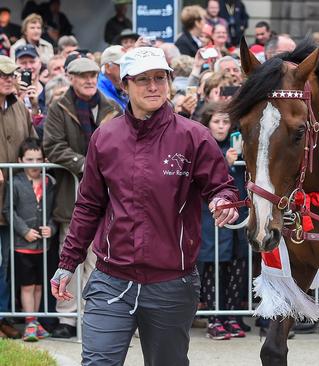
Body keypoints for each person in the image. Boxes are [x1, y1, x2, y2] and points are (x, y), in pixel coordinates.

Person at [49, 46, 239, 364]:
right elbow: (88, 206)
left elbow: (221, 186)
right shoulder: (104, 138)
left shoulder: (194, 136)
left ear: (168, 81)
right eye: (143, 79)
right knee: (98, 362)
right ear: (125, 84)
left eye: (159, 78)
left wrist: (224, 201)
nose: (153, 86)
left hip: (172, 283)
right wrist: (68, 263)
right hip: (111, 279)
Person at [43, 57, 122, 339]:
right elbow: (52, 145)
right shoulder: (59, 107)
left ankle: (95, 317)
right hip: (73, 195)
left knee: (99, 260)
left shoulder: (111, 106)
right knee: (71, 257)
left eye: (92, 75)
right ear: (71, 78)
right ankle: (67, 318)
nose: (89, 80)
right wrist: (85, 164)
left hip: (110, 197)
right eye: (83, 75)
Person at [196, 101, 248, 340]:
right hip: (212, 215)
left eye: (225, 121)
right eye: (216, 122)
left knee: (238, 262)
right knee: (214, 264)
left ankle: (233, 315)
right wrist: (224, 164)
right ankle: (215, 317)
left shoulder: (238, 144)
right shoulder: (203, 145)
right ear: (207, 124)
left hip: (240, 212)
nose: (221, 126)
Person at [2, 137, 56, 342]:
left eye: (38, 159)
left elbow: (52, 212)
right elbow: (9, 210)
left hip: (42, 246)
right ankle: (29, 322)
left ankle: (35, 322)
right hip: (22, 246)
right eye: (29, 160)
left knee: (39, 286)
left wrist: (50, 228)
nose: (34, 165)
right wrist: (24, 231)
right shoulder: (14, 183)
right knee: (26, 286)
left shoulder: (50, 183)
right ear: (19, 160)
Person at [0, 56, 37, 340]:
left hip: (16, 200)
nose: (8, 78)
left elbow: (31, 144)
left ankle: (3, 317)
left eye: (11, 74)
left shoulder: (19, 108)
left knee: (7, 264)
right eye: (2, 75)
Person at [98, 45, 127, 110]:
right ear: (108, 67)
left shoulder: (120, 86)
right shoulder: (97, 90)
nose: (127, 70)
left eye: (128, 65)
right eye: (122, 66)